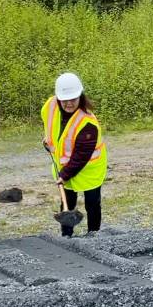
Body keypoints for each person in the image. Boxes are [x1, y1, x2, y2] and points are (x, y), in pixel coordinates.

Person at [42, 72, 107, 237]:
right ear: (58, 98)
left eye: (73, 99)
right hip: (65, 166)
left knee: (92, 203)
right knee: (67, 202)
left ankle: (94, 234)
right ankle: (66, 235)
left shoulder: (88, 124)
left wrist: (64, 174)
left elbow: (81, 156)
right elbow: (51, 126)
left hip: (89, 169)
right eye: (65, 99)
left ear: (80, 97)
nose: (69, 103)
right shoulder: (51, 106)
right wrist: (47, 140)